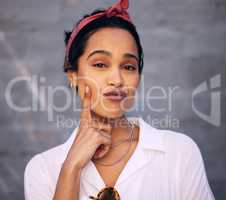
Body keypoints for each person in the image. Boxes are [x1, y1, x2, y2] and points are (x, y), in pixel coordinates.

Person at [24, 0, 215, 199]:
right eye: (100, 64)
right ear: (73, 76)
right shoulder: (42, 169)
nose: (117, 80)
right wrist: (72, 167)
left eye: (128, 67)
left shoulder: (179, 153)